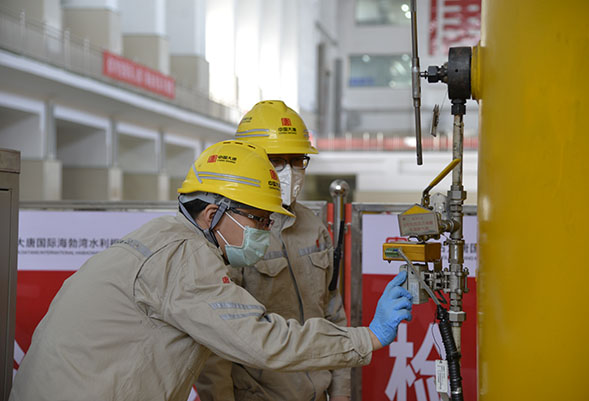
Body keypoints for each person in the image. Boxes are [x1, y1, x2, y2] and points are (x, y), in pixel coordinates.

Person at [9, 140, 412, 401]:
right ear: (211, 212)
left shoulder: (166, 238)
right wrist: (370, 336)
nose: (265, 231)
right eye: (257, 219)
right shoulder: (184, 258)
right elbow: (262, 340)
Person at [196, 100, 351, 401]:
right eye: (276, 161)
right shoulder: (231, 232)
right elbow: (214, 342)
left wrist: (341, 392)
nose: (289, 172)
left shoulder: (314, 227)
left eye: (297, 160)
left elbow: (334, 315)